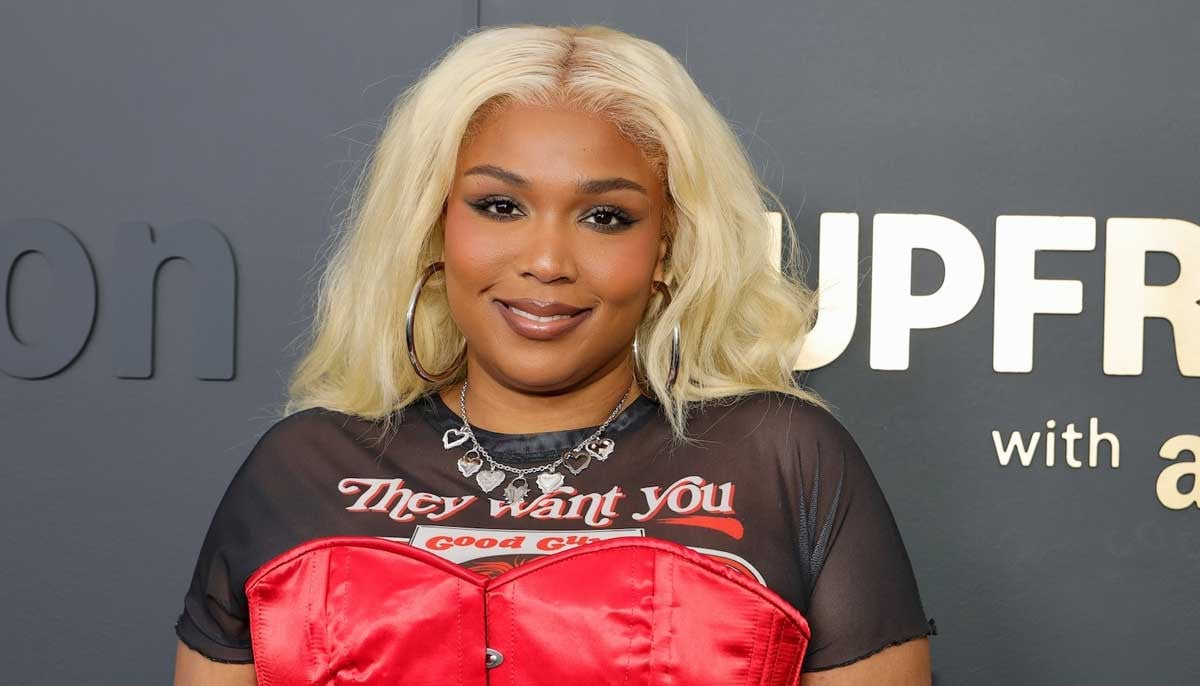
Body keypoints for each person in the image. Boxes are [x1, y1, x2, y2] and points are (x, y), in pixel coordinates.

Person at [173, 23, 936, 685]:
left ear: (668, 249)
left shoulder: (784, 460)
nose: (546, 261)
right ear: (435, 226)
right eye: (500, 206)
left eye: (605, 216)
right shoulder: (300, 467)